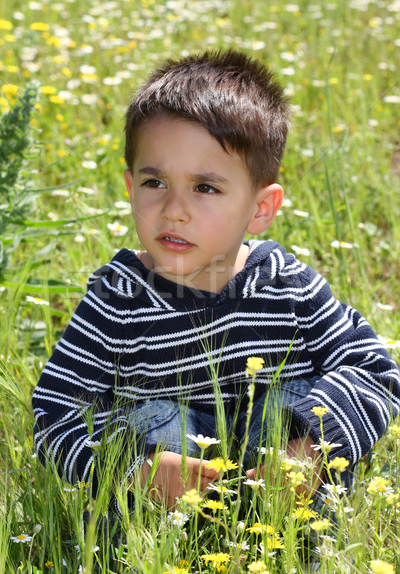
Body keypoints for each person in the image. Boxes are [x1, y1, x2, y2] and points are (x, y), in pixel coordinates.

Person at [32, 50, 400, 513]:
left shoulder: (288, 286)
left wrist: (312, 449)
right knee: (150, 421)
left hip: (283, 498)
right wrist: (132, 469)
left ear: (260, 209)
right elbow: (54, 413)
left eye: (205, 187)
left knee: (295, 399)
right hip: (164, 505)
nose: (173, 209)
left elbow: (375, 372)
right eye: (154, 183)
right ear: (130, 187)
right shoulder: (116, 298)